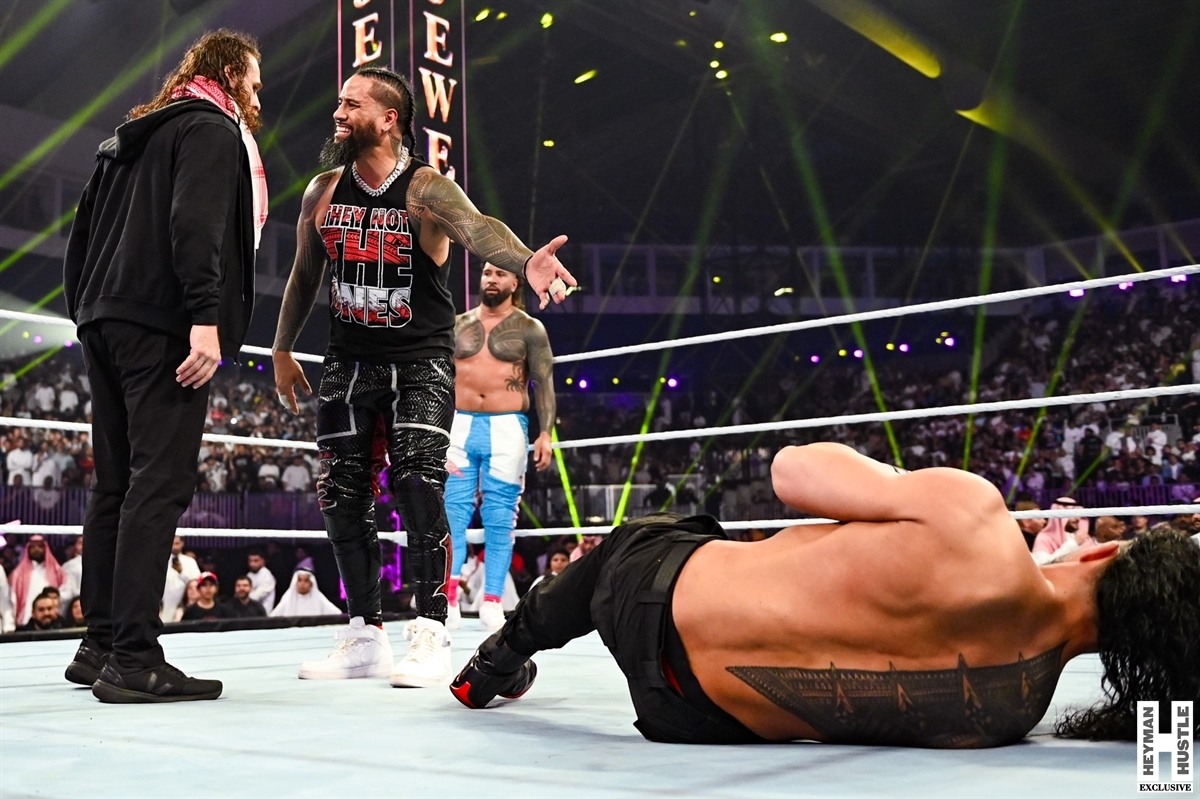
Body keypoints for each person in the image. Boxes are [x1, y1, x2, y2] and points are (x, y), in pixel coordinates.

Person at [451, 442, 1200, 747]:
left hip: (650, 595)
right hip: (687, 717)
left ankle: (499, 659)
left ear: (1103, 549)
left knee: (657, 535)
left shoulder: (975, 517)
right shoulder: (1013, 714)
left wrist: (891, 492)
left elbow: (789, 470)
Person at [271, 66, 575, 687]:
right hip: (348, 360)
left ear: (389, 119)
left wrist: (527, 263)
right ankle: (364, 635)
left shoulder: (425, 189)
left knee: (416, 483)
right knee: (342, 494)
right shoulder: (322, 190)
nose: (338, 114)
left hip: (420, 360)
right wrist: (282, 348)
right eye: (338, 103)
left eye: (351, 104)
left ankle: (432, 630)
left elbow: (479, 229)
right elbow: (305, 272)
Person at [61, 29, 264, 703]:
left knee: (115, 484)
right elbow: (196, 223)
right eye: (253, 84)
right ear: (229, 74)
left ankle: (99, 643)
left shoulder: (127, 137)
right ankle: (135, 657)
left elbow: (80, 237)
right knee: (159, 483)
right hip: (162, 324)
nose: (257, 98)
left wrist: (87, 312)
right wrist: (205, 317)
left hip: (104, 319)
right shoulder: (209, 128)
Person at [444, 262, 558, 631]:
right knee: (452, 513)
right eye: (486, 273)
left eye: (499, 274)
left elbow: (544, 381)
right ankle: (448, 599)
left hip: (508, 426)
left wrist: (546, 433)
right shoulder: (457, 324)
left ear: (514, 282)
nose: (491, 279)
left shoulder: (529, 328)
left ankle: (492, 601)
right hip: (460, 426)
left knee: (500, 517)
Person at [9, 534, 69, 628]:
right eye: (33, 547)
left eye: (40, 546)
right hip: (26, 620)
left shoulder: (57, 571)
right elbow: (13, 599)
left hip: (51, 619)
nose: (37, 549)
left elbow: (65, 593)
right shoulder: (18, 573)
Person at [161, 536, 202, 623]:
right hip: (164, 603)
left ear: (182, 543)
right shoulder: (161, 561)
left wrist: (181, 573)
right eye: (172, 543)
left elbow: (197, 584)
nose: (174, 546)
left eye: (177, 543)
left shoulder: (190, 561)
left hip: (185, 605)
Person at [271, 569, 342, 618]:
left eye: (306, 580)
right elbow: (273, 617)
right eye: (299, 580)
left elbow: (337, 614)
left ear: (311, 584)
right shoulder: (288, 598)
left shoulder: (319, 598)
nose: (302, 583)